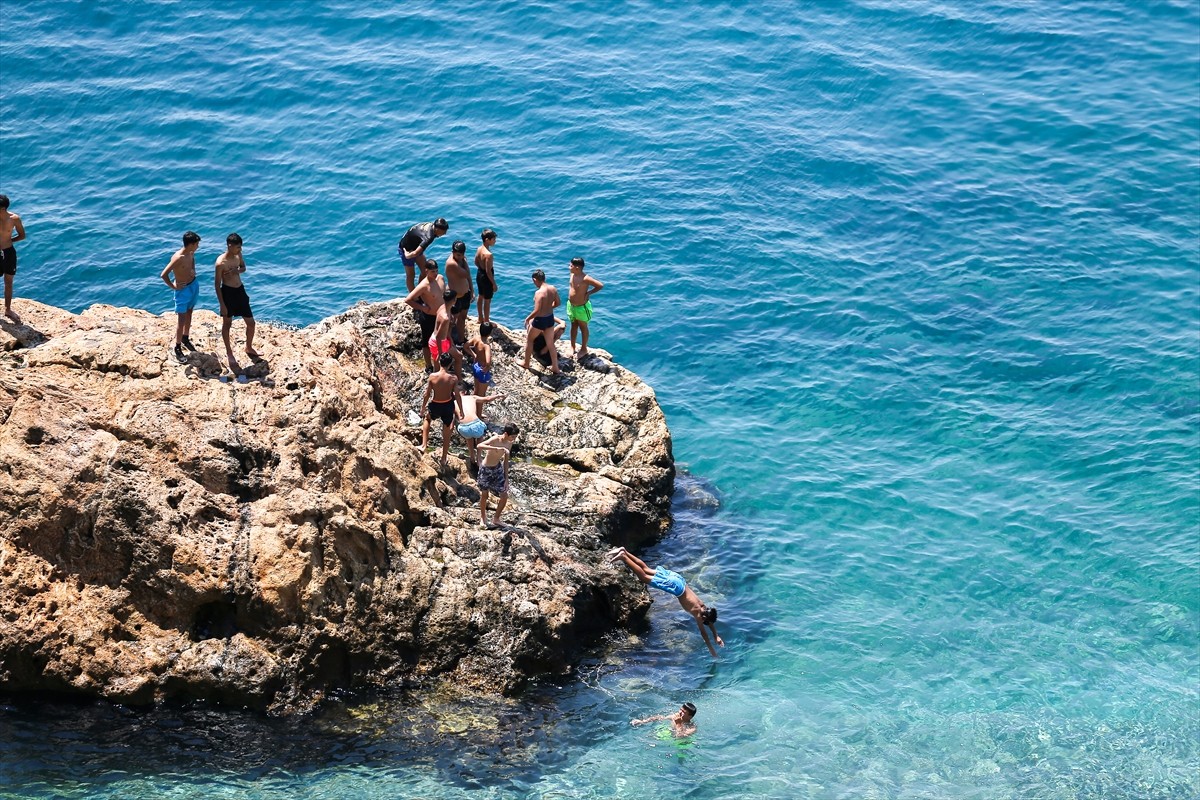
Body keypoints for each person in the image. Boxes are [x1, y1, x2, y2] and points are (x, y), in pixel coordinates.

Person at [608, 547, 724, 658]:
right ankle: (623, 557)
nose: (705, 622)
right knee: (643, 577)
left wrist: (716, 636)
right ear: (704, 617)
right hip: (676, 587)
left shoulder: (703, 607)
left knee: (647, 569)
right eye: (705, 620)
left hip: (679, 580)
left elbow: (709, 622)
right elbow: (704, 634)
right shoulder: (699, 615)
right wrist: (711, 649)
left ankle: (624, 551)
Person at [215, 232, 258, 376]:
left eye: (241, 247)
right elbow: (216, 285)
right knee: (227, 324)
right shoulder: (221, 263)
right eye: (238, 247)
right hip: (228, 293)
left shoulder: (238, 256)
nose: (240, 250)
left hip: (240, 291)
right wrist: (222, 304)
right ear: (230, 246)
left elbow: (244, 268)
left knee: (251, 323)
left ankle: (249, 347)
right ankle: (229, 353)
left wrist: (237, 270)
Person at [160, 231, 201, 361]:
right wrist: (174, 286)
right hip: (182, 291)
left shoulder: (191, 253)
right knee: (181, 319)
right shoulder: (178, 257)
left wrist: (193, 270)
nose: (198, 247)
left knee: (190, 312)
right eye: (196, 244)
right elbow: (164, 274)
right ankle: (177, 347)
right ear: (190, 244)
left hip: (193, 285)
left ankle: (185, 337)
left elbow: (192, 262)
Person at [420, 352, 463, 469]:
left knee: (427, 418)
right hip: (448, 405)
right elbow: (457, 396)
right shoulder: (453, 378)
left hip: (436, 404)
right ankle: (444, 457)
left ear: (439, 362)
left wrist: (423, 408)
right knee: (447, 429)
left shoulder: (432, 377)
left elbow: (427, 394)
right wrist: (462, 410)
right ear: (450, 365)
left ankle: (424, 445)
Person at [403, 259, 447, 371]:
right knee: (427, 342)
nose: (435, 273)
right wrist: (422, 308)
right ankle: (428, 366)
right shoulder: (423, 285)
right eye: (433, 271)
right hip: (429, 317)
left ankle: (443, 363)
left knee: (442, 339)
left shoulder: (440, 279)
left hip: (441, 316)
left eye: (436, 270)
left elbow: (444, 294)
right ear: (426, 271)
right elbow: (408, 299)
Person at [521, 269, 564, 375]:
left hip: (540, 320)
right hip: (549, 318)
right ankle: (555, 368)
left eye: (533, 281)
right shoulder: (552, 288)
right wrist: (548, 307)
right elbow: (558, 303)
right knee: (550, 344)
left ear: (535, 280)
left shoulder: (539, 293)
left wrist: (527, 318)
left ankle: (526, 363)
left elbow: (537, 311)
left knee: (530, 340)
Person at [477, 423, 519, 529]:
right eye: (512, 436)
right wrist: (494, 448)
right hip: (486, 469)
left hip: (497, 469)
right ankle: (483, 517)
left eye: (515, 437)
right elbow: (479, 446)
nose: (514, 439)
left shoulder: (510, 443)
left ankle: (496, 518)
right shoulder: (496, 439)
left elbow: (506, 461)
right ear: (506, 434)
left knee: (504, 495)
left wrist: (506, 479)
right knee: (484, 495)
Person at [456, 391, 506, 468]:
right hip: (476, 426)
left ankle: (472, 457)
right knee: (479, 435)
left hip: (464, 429)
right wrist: (498, 395)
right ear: (465, 392)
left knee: (469, 438)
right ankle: (479, 458)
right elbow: (488, 399)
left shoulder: (453, 402)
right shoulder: (472, 397)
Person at [398, 217, 449, 292]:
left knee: (425, 271)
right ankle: (413, 296)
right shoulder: (429, 237)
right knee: (411, 275)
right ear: (437, 229)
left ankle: (420, 290)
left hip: (416, 246)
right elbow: (415, 253)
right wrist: (407, 256)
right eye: (444, 231)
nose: (445, 233)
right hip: (406, 249)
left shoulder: (432, 226)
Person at [566, 256, 603, 358]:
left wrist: (589, 293)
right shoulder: (572, 274)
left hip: (581, 307)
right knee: (573, 325)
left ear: (577, 268)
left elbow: (600, 285)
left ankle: (584, 349)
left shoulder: (585, 278)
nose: (569, 267)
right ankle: (572, 346)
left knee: (583, 327)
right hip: (571, 306)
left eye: (571, 265)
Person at [0, 195, 27, 323]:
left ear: (3, 208)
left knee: (8, 282)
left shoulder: (14, 219)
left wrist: (9, 241)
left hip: (8, 252)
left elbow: (22, 235)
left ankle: (8, 309)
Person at [428, 288, 462, 377]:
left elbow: (442, 330)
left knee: (437, 367)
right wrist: (440, 352)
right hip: (440, 342)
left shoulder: (442, 307)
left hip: (433, 340)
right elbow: (439, 336)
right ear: (454, 300)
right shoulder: (446, 318)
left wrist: (450, 339)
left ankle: (435, 383)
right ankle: (459, 380)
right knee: (459, 357)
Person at [445, 239, 472, 344]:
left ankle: (461, 339)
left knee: (463, 318)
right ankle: (449, 342)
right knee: (452, 321)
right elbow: (466, 274)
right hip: (455, 297)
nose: (459, 257)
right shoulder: (451, 263)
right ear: (452, 252)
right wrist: (464, 261)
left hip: (465, 294)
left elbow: (467, 278)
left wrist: (472, 290)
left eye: (461, 255)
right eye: (457, 255)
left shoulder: (461, 261)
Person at [462, 321, 496, 397]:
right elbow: (488, 361)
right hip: (482, 370)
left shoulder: (476, 339)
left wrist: (474, 355)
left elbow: (465, 346)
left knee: (476, 390)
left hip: (475, 366)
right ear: (489, 333)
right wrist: (487, 367)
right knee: (481, 395)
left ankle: (473, 404)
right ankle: (478, 408)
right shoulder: (486, 346)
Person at [631, 702, 698, 737]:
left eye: (683, 712)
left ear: (690, 717)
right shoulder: (674, 716)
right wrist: (643, 721)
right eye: (680, 710)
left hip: (681, 742)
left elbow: (680, 737)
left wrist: (678, 724)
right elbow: (660, 717)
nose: (680, 712)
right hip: (669, 733)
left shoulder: (692, 728)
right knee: (650, 736)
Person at [474, 228, 498, 325]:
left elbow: (475, 262)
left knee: (480, 296)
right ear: (487, 239)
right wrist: (494, 284)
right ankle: (487, 321)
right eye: (493, 239)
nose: (495, 241)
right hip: (486, 277)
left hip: (479, 274)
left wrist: (481, 269)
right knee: (487, 300)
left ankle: (480, 317)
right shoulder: (488, 255)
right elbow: (488, 272)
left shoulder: (479, 249)